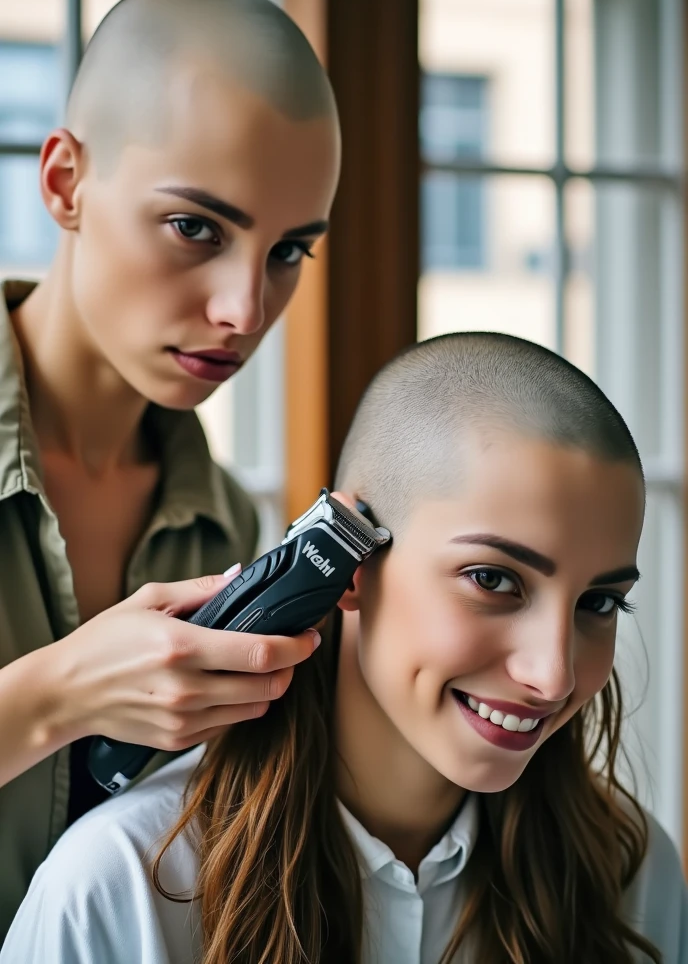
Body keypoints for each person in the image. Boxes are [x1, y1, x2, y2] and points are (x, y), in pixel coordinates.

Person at [4, 332, 686, 964]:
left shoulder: (631, 869)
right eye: (494, 580)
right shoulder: (120, 888)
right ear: (351, 562)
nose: (552, 674)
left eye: (599, 603)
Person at [0, 0, 340, 938]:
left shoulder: (231, 532)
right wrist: (56, 695)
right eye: (197, 227)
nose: (244, 311)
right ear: (66, 181)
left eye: (287, 253)